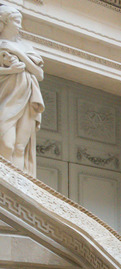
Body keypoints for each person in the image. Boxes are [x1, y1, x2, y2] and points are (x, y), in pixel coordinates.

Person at [0, 5, 44, 175]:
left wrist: (20, 54)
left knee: (19, 147)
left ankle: (18, 188)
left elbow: (39, 73)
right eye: (17, 22)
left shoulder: (25, 48)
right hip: (6, 98)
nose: (20, 26)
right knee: (6, 144)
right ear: (4, 22)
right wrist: (10, 71)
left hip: (27, 99)